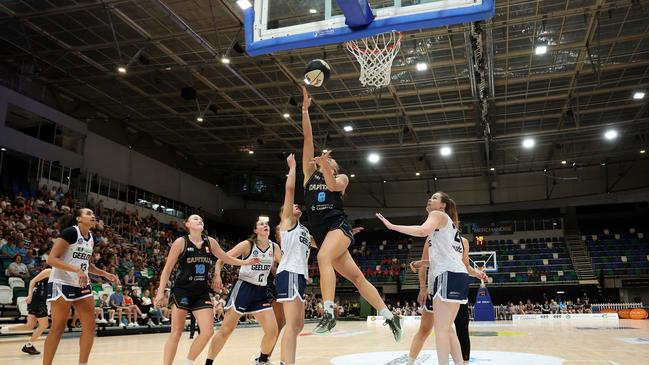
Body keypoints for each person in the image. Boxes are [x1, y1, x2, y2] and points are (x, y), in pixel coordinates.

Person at [300, 86, 401, 339]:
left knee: (323, 259)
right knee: (357, 278)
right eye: (321, 160)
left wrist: (325, 167)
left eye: (329, 160)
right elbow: (307, 140)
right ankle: (390, 316)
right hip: (322, 234)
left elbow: (332, 186)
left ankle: (328, 314)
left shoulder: (340, 178)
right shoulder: (308, 176)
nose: (323, 160)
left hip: (338, 228)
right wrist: (304, 111)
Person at [377, 192, 485, 365]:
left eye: (435, 198)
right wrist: (423, 262)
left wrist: (392, 226)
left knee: (441, 330)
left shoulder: (437, 215)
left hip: (447, 275)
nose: (430, 199)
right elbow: (449, 258)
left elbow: (422, 230)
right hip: (458, 276)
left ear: (442, 206)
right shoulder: (450, 229)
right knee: (448, 330)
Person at [154, 214, 257, 365]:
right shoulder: (181, 242)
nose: (199, 220)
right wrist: (160, 291)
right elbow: (167, 268)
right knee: (176, 333)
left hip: (201, 291)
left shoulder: (210, 242)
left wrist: (246, 262)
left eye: (201, 219)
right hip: (182, 290)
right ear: (187, 224)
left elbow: (226, 258)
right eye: (195, 219)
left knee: (208, 331)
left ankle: (188, 363)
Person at [43, 208, 119, 365]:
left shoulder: (91, 237)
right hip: (62, 282)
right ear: (78, 219)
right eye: (89, 214)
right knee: (58, 328)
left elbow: (86, 264)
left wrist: (104, 274)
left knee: (90, 327)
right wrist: (77, 270)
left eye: (93, 214)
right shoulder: (70, 232)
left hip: (81, 284)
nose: (93, 216)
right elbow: (51, 259)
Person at [205, 219, 282, 365]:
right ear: (255, 230)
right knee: (226, 330)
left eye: (266, 224)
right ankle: (208, 362)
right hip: (244, 288)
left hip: (261, 291)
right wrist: (217, 274)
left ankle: (262, 360)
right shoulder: (248, 245)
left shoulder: (274, 247)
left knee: (272, 331)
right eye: (261, 224)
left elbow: (282, 265)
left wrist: (280, 275)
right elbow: (222, 259)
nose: (265, 225)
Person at [276, 153, 312, 365]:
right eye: (293, 206)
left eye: (299, 206)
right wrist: (292, 167)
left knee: (298, 325)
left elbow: (325, 243)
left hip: (299, 275)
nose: (297, 205)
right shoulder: (288, 222)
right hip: (289, 272)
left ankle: (285, 360)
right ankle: (286, 363)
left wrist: (347, 233)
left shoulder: (305, 230)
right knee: (291, 325)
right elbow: (290, 190)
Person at [0, 268, 52, 355]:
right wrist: (30, 295)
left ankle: (3, 329)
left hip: (40, 301)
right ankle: (29, 345)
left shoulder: (60, 275)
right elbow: (33, 281)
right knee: (44, 325)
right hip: (37, 300)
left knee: (29, 325)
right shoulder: (49, 271)